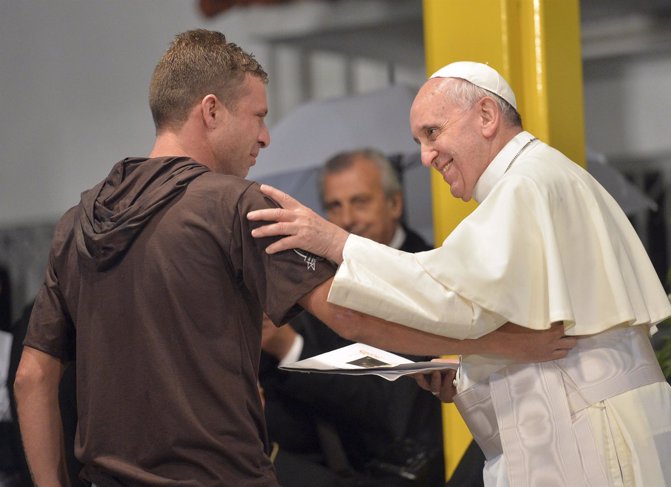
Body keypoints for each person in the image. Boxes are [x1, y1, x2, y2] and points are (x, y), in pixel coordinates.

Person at [12, 33, 576, 487]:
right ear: (211, 111)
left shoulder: (77, 222)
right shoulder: (236, 206)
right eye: (256, 116)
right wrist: (502, 343)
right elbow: (349, 315)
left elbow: (33, 378)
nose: (265, 137)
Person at [247, 61, 671, 486]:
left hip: (594, 434)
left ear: (485, 115)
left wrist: (334, 242)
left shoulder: (527, 184)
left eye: (432, 132)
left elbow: (447, 295)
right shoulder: (531, 182)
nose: (425, 156)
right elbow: (513, 320)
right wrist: (468, 370)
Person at [260, 149, 448, 486]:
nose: (347, 218)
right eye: (335, 206)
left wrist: (292, 348)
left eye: (360, 202)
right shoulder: (314, 280)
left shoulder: (433, 278)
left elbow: (392, 401)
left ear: (395, 204)